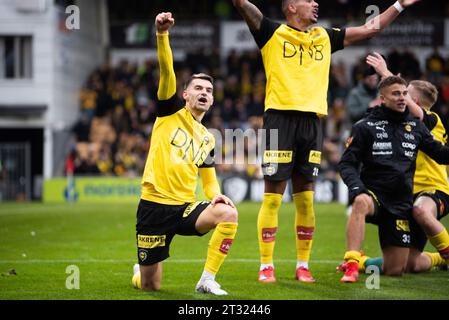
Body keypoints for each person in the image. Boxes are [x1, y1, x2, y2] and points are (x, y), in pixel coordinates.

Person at [232, 0, 421, 283]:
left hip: (312, 123)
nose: (315, 3)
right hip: (279, 120)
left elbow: (370, 29)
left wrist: (399, 5)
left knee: (306, 200)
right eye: (307, 0)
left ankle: (302, 265)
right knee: (272, 197)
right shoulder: (271, 32)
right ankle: (266, 266)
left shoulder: (324, 36)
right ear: (291, 7)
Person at [131, 12, 238, 295]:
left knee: (228, 213)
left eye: (209, 90)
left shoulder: (207, 138)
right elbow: (167, 72)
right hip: (154, 207)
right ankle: (139, 271)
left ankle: (206, 280)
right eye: (198, 88)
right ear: (185, 95)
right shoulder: (168, 113)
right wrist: (162, 35)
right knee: (150, 285)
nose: (204, 92)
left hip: (184, 208)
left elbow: (209, 179)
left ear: (212, 100)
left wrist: (215, 193)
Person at [340, 53, 449, 274]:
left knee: (420, 211)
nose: (403, 98)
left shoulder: (428, 120)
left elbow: (441, 153)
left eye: (406, 94)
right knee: (407, 265)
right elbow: (348, 162)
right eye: (398, 93)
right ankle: (357, 262)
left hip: (430, 190)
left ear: (413, 101)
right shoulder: (376, 124)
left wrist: (385, 73)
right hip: (404, 195)